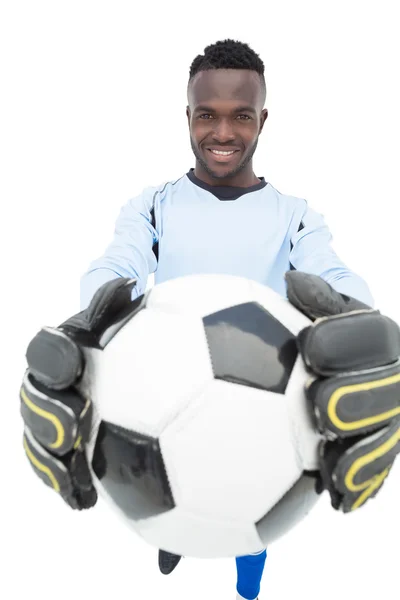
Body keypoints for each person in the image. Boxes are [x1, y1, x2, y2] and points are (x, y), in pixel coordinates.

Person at [20, 39, 400, 600]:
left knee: (254, 486)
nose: (223, 133)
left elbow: (334, 276)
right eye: (208, 116)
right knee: (167, 469)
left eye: (241, 116)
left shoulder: (295, 216)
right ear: (188, 118)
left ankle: (249, 562)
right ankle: (173, 534)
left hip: (267, 393)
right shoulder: (153, 204)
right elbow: (117, 265)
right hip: (159, 386)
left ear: (262, 120)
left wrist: (364, 326)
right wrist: (88, 325)